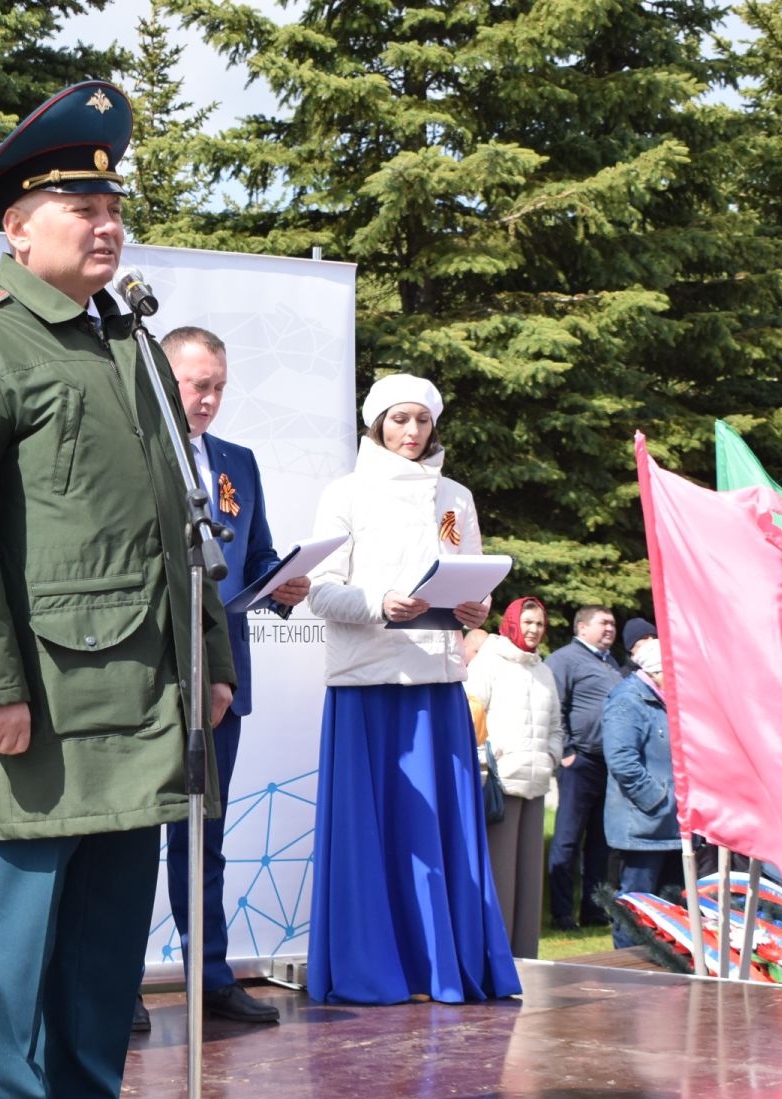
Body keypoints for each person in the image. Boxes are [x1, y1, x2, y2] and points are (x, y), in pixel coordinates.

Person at [0, 81, 234, 1099]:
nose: (104, 222)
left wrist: (212, 658)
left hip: (140, 689)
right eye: (77, 204)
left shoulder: (128, 340)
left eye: (110, 203)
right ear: (18, 232)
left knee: (103, 945)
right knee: (13, 944)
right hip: (37, 694)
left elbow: (179, 515)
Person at [304, 373, 520, 1006]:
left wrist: (476, 609)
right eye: (400, 420)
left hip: (437, 681)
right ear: (376, 423)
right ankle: (373, 967)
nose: (412, 432)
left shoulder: (454, 497)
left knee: (441, 834)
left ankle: (441, 964)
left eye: (422, 421)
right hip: (368, 681)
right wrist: (379, 604)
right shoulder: (345, 493)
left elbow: (469, 577)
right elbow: (318, 589)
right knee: (372, 832)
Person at [150, 326, 310, 1031]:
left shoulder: (236, 463)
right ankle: (116, 983)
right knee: (129, 839)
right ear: (165, 380)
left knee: (204, 834)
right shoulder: (138, 450)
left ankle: (210, 975)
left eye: (218, 384)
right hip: (150, 673)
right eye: (196, 384)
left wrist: (284, 586)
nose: (209, 398)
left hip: (224, 678)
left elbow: (259, 556)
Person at [464, 597, 563, 959]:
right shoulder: (489, 664)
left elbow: (555, 725)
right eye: (528, 622)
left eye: (539, 623)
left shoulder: (544, 671)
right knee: (501, 876)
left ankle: (525, 955)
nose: (534, 630)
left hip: (535, 784)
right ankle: (495, 957)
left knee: (528, 879)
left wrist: (550, 755)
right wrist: (489, 761)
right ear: (511, 623)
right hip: (500, 784)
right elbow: (470, 716)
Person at [543, 605, 624, 928]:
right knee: (567, 839)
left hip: (609, 764)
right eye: (603, 623)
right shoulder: (564, 659)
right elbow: (554, 705)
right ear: (582, 627)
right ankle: (562, 914)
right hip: (580, 762)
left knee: (599, 845)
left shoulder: (610, 662)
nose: (610, 628)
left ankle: (593, 911)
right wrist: (567, 751)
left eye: (613, 623)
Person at [600, 639, 681, 948]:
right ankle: (629, 969)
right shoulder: (627, 700)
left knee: (670, 906)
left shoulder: (665, 699)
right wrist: (658, 800)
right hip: (643, 825)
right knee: (637, 903)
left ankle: (666, 962)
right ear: (654, 671)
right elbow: (622, 760)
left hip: (672, 825)